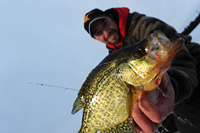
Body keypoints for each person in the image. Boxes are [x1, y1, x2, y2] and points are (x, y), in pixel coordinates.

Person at [83, 7, 200, 133]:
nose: (106, 32)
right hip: (158, 92)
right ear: (96, 39)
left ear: (111, 17)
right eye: (98, 32)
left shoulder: (142, 25)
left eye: (105, 23)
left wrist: (173, 86)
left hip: (193, 66)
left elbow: (181, 58)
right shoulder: (113, 57)